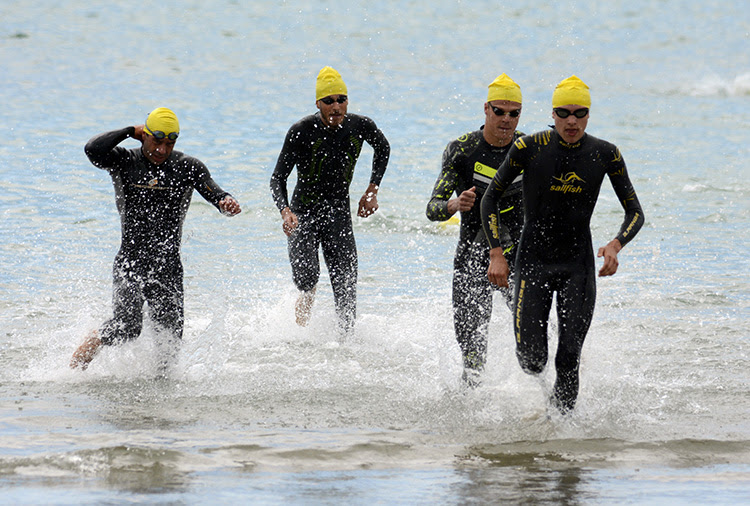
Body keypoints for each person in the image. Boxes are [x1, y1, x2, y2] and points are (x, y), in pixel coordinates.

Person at [480, 75, 645, 412]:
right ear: (552, 114)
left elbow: (635, 213)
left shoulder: (606, 154)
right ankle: (542, 411)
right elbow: (489, 198)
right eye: (563, 112)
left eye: (579, 113)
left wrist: (615, 245)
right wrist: (497, 253)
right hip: (533, 263)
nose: (572, 121)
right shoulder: (529, 148)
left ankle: (562, 436)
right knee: (533, 360)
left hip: (577, 266)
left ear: (588, 114)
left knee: (569, 358)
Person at [70, 107, 241, 371]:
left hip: (168, 266)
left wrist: (225, 202)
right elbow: (92, 149)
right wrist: (128, 131)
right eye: (156, 141)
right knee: (127, 328)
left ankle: (160, 405)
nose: (162, 150)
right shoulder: (124, 161)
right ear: (144, 135)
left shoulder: (188, 166)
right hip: (130, 261)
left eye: (169, 144)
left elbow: (215, 193)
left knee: (170, 343)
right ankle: (84, 352)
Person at [270, 66, 390, 335]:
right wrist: (285, 211)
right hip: (304, 213)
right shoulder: (301, 130)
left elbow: (383, 148)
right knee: (307, 278)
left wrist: (372, 190)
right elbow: (278, 177)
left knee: (346, 284)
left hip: (337, 212)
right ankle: (300, 331)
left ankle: (345, 344)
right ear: (318, 104)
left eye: (341, 99)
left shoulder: (360, 126)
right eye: (329, 101)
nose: (336, 106)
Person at [426, 74, 525, 386]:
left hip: (518, 257)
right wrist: (454, 205)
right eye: (500, 111)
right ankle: (471, 418)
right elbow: (433, 209)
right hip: (473, 257)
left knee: (536, 338)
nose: (506, 119)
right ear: (486, 109)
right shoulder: (462, 150)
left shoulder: (529, 149)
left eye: (514, 113)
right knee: (472, 354)